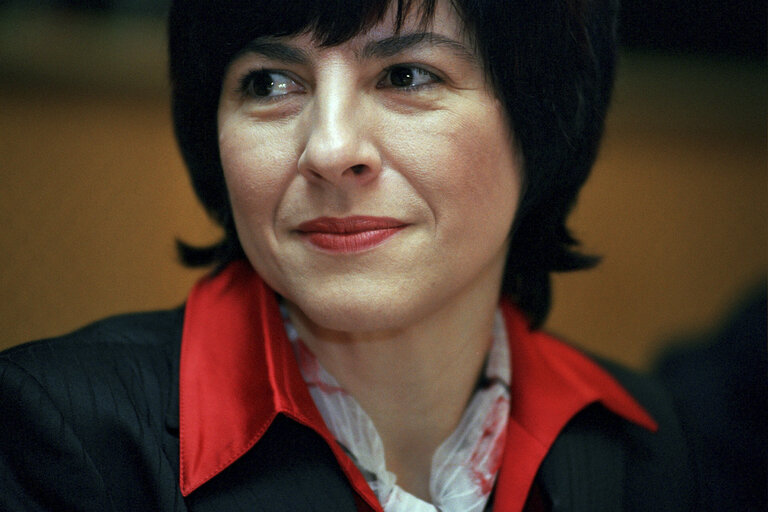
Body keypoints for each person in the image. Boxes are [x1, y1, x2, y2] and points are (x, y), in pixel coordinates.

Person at [0, 0, 698, 510]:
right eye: (271, 83)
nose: (331, 151)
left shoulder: (640, 441)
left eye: (406, 76)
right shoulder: (65, 434)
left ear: (541, 122)